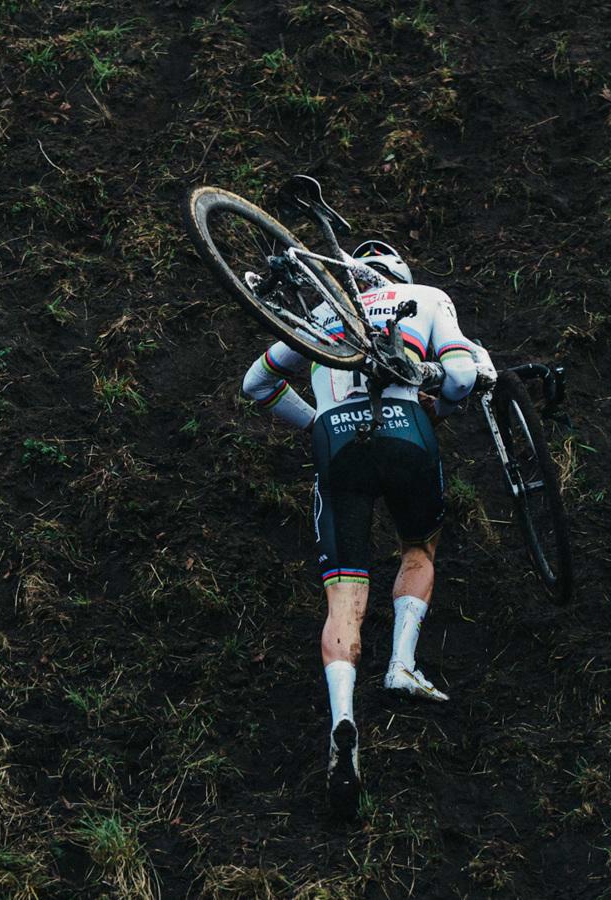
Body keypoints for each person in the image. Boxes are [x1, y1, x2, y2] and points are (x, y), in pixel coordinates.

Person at [240, 239, 495, 818]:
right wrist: (436, 413)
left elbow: (256, 385)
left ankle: (344, 719)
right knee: (417, 544)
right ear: (397, 272)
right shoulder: (426, 297)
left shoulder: (324, 313)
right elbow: (458, 376)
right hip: (407, 430)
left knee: (343, 594)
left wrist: (318, 424)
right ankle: (402, 663)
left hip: (338, 443)